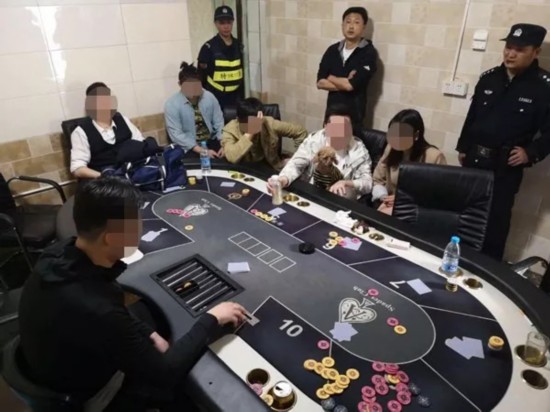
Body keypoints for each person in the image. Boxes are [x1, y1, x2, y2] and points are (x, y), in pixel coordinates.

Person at [18, 177, 247, 411]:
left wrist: (148, 333)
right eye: (136, 224)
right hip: (89, 394)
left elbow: (109, 311)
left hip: (55, 361)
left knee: (148, 320)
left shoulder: (59, 252)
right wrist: (212, 318)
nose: (141, 228)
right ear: (112, 238)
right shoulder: (98, 310)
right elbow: (165, 373)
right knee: (176, 390)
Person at [456, 23, 550, 260]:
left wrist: (531, 152)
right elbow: (472, 117)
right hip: (474, 160)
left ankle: (487, 270)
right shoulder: (489, 78)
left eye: (519, 49)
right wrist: (463, 147)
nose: (511, 54)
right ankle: (457, 261)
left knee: (495, 225)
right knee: (464, 216)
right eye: (508, 47)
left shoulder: (543, 87)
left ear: (536, 52)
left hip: (505, 167)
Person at [268, 103, 373, 199]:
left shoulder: (358, 149)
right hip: (312, 192)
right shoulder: (315, 140)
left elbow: (367, 183)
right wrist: (283, 180)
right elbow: (297, 163)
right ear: (325, 126)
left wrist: (346, 183)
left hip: (340, 198)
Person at [372, 109, 447, 215]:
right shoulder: (391, 149)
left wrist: (403, 200)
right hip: (390, 204)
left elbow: (439, 194)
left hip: (419, 209)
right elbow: (378, 178)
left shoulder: (434, 156)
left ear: (416, 135)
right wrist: (383, 196)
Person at [317, 6, 378, 134]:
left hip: (354, 117)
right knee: (328, 145)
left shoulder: (368, 53)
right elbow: (320, 83)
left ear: (363, 27)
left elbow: (350, 86)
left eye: (356, 22)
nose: (351, 26)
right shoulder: (332, 50)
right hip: (331, 114)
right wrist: (345, 82)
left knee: (351, 146)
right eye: (348, 22)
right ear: (342, 25)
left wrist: (330, 76)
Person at [70, 82, 144, 179]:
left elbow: (142, 144)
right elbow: (77, 169)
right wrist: (106, 177)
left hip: (132, 173)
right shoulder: (80, 132)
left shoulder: (123, 120)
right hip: (104, 181)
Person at [222, 98, 308, 171]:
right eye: (249, 123)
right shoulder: (230, 130)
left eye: (256, 122)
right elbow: (232, 157)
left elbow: (300, 132)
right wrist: (250, 132)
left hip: (269, 168)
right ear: (238, 120)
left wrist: (297, 159)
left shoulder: (268, 123)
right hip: (242, 170)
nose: (255, 125)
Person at [165, 62, 225, 159]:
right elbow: (177, 134)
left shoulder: (209, 97)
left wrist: (224, 143)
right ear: (180, 84)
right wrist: (202, 151)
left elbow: (219, 122)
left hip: (211, 141)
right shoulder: (172, 104)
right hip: (189, 147)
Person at [198, 5, 244, 110]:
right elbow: (201, 77)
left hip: (236, 97)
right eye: (222, 23)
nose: (226, 26)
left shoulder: (238, 45)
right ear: (216, 24)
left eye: (229, 22)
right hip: (216, 96)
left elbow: (241, 72)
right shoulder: (208, 48)